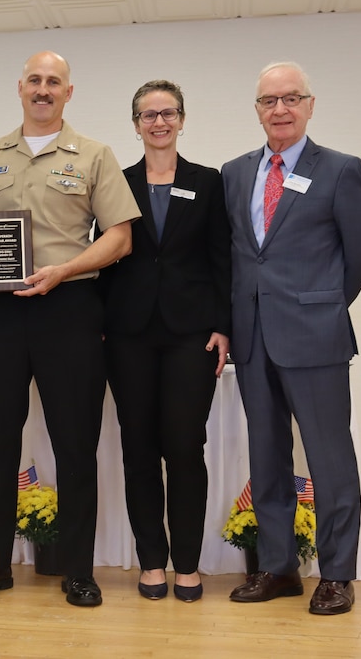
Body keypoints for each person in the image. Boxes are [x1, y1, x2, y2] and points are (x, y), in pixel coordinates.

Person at [0, 51, 140, 607]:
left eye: (53, 81)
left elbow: (119, 237)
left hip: (70, 310)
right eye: (34, 80)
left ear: (68, 92)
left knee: (76, 446)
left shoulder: (95, 155)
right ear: (20, 88)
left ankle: (78, 571)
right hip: (1, 316)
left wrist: (66, 269)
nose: (43, 88)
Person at [221, 62, 361, 615]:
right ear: (258, 110)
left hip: (316, 337)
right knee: (265, 458)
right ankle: (278, 567)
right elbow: (238, 256)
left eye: (291, 98)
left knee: (329, 459)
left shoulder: (339, 169)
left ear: (310, 105)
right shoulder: (235, 173)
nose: (280, 109)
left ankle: (335, 574)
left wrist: (323, 305)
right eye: (269, 101)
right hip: (252, 336)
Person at [100, 80, 231, 602]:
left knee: (183, 445)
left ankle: (188, 564)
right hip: (128, 333)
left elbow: (223, 257)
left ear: (181, 119)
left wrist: (224, 324)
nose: (159, 122)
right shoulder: (116, 180)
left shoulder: (208, 180)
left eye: (167, 112)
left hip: (191, 333)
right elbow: (104, 251)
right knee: (138, 447)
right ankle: (151, 561)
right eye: (148, 115)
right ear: (135, 125)